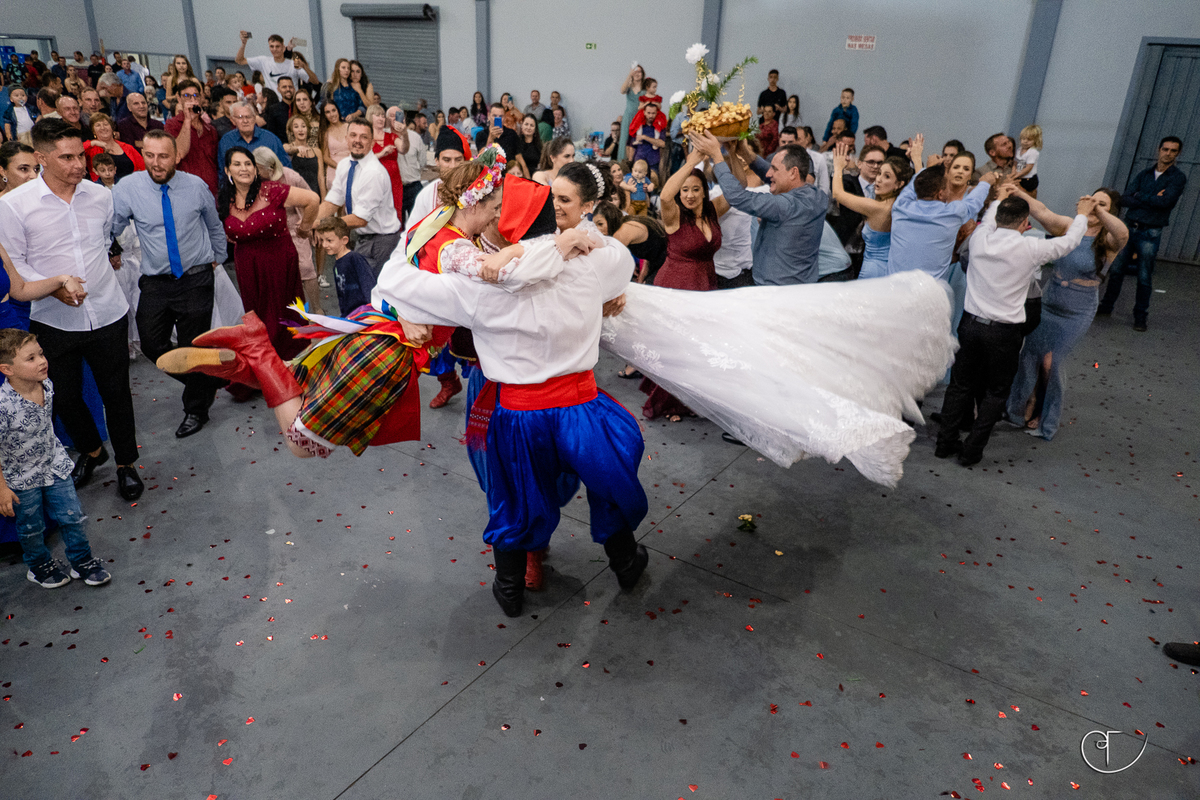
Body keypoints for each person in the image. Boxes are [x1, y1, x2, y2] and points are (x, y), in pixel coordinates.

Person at [0, 119, 143, 500]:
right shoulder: (13, 206)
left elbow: (101, 244)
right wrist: (55, 287)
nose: (79, 164)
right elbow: (17, 265)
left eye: (81, 154)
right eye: (67, 157)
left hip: (108, 311)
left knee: (116, 393)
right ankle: (93, 451)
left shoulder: (100, 196)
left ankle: (127, 464)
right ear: (42, 158)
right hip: (52, 317)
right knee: (62, 395)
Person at [935, 190, 1091, 467]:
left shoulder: (980, 237)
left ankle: (944, 443)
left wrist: (998, 198)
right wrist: (1082, 215)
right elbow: (1069, 243)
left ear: (997, 217)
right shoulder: (1030, 248)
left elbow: (987, 218)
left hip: (970, 325)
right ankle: (971, 450)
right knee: (996, 392)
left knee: (960, 385)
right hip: (1003, 333)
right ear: (1024, 223)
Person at [111, 131, 228, 438]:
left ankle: (195, 410)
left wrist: (219, 256)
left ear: (176, 156)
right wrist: (109, 245)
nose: (156, 163)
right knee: (151, 343)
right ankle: (205, 381)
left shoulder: (196, 186)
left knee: (192, 347)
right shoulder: (128, 188)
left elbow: (214, 224)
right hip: (156, 281)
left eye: (163, 156)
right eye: (149, 155)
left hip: (196, 278)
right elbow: (112, 225)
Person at [1006, 187, 1127, 439]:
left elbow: (1123, 232)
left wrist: (1097, 211)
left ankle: (1045, 415)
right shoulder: (1071, 226)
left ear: (1110, 211)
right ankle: (1023, 403)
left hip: (1077, 311)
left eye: (1101, 204)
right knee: (1030, 355)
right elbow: (1041, 211)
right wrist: (1018, 192)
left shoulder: (1109, 239)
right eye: (1091, 200)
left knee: (1052, 362)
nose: (1093, 205)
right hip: (1050, 302)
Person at [0, 330, 112, 589]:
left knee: (72, 515)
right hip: (21, 476)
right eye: (30, 358)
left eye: (41, 354)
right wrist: (2, 487)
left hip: (54, 464)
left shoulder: (47, 384)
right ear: (7, 369)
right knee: (31, 526)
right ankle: (38, 565)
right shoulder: (3, 405)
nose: (42, 361)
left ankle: (82, 560)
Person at [640, 149, 728, 421]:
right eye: (685, 190)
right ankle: (669, 402)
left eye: (695, 189)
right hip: (676, 285)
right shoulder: (673, 215)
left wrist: (726, 154)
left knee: (699, 346)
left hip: (705, 283)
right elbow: (666, 195)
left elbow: (740, 189)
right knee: (677, 346)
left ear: (705, 191)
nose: (689, 195)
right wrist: (692, 160)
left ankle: (692, 398)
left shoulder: (713, 211)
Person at [218, 145, 317, 360]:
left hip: (280, 260)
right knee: (258, 316)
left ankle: (293, 364)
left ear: (255, 169)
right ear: (228, 170)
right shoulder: (225, 199)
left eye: (248, 164)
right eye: (237, 164)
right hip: (248, 266)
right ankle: (266, 365)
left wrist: (303, 229)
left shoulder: (271, 190)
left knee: (284, 315)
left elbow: (313, 200)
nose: (244, 169)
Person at [693, 132, 829, 285]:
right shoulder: (818, 197)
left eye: (775, 169)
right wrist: (744, 153)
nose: (769, 173)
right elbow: (772, 177)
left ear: (793, 172)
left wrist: (717, 156)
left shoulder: (785, 205)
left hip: (775, 292)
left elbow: (737, 196)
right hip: (800, 286)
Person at [1096, 136, 1187, 331]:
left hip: (1150, 232)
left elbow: (1166, 202)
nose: (1168, 153)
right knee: (1117, 270)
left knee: (1144, 276)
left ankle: (1140, 316)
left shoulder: (1177, 178)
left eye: (1173, 150)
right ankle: (1106, 306)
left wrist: (1140, 196)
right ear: (1159, 150)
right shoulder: (1145, 173)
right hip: (1129, 229)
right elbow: (1124, 198)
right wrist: (1151, 197)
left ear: (1178, 153)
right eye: (1165, 149)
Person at [317, 118, 403, 277]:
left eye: (363, 137)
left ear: (371, 143)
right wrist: (311, 221)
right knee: (358, 289)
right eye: (353, 135)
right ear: (346, 139)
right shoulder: (345, 165)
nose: (357, 140)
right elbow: (332, 201)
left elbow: (360, 219)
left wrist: (322, 225)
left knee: (371, 293)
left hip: (382, 242)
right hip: (362, 238)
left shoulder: (373, 172)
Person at [888, 154, 994, 281]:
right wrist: (985, 183)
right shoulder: (952, 213)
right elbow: (973, 202)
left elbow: (911, 188)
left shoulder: (900, 206)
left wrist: (928, 168)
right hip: (930, 293)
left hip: (894, 289)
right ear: (940, 193)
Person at [254, 147, 323, 314]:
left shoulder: (290, 176)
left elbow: (312, 199)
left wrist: (309, 223)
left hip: (295, 226)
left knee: (306, 268)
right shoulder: (255, 182)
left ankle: (318, 310)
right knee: (280, 274)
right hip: (271, 231)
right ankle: (289, 312)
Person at [831, 143, 912, 280]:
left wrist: (838, 167)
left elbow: (838, 194)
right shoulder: (902, 205)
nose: (878, 179)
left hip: (873, 271)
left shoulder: (879, 208)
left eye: (886, 176)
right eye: (879, 173)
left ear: (899, 184)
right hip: (891, 269)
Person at [163, 79, 219, 197]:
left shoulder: (210, 129)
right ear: (179, 99)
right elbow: (179, 152)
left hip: (211, 191)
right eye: (187, 96)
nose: (192, 100)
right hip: (186, 191)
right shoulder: (172, 124)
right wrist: (188, 119)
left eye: (195, 95)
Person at [217, 100, 291, 188]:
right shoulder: (226, 141)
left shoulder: (270, 139)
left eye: (248, 117)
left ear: (254, 118)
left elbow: (286, 170)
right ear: (233, 121)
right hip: (237, 193)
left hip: (268, 192)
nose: (245, 121)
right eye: (240, 117)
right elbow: (222, 173)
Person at [315, 215, 376, 316]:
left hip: (363, 313)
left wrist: (370, 310)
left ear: (344, 240)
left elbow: (368, 284)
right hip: (350, 315)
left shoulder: (354, 258)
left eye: (329, 240)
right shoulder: (336, 265)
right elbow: (341, 295)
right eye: (322, 240)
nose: (324, 245)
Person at [366, 104, 407, 220]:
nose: (381, 118)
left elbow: (403, 149)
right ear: (370, 117)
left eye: (383, 116)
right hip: (375, 183)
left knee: (396, 212)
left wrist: (404, 133)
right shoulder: (366, 138)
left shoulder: (392, 136)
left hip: (394, 182)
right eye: (377, 115)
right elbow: (362, 160)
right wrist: (381, 154)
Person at [235, 32, 305, 95]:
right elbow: (240, 60)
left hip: (291, 103)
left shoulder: (292, 64)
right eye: (272, 46)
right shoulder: (263, 61)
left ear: (283, 47)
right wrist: (243, 44)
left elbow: (314, 81)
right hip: (272, 104)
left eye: (277, 46)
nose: (274, 49)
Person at [83, 112, 143, 181]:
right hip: (104, 188)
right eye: (98, 125)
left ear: (112, 128)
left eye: (106, 124)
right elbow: (76, 150)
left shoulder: (127, 147)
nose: (103, 128)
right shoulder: (91, 148)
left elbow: (143, 167)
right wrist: (93, 143)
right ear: (93, 131)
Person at [394, 107, 427, 224]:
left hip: (413, 185)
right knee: (398, 225)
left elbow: (423, 161)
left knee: (418, 224)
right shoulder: (385, 137)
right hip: (395, 188)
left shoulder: (415, 137)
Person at [284, 115, 325, 196]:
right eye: (296, 127)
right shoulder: (289, 148)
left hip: (314, 193)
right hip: (297, 194)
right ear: (292, 131)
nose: (300, 130)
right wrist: (297, 148)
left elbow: (321, 178)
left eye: (303, 126)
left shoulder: (317, 151)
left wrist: (324, 199)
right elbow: (285, 148)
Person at [319, 100, 350, 190]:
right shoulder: (325, 132)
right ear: (324, 115)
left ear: (338, 111)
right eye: (327, 112)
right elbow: (325, 157)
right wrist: (339, 167)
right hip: (334, 170)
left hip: (351, 166)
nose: (332, 114)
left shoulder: (349, 127)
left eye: (333, 110)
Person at [617, 64, 644, 164]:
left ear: (642, 74)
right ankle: (623, 164)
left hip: (640, 118)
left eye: (639, 72)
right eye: (635, 72)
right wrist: (629, 75)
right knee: (625, 141)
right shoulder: (629, 86)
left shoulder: (645, 87)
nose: (637, 74)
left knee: (638, 142)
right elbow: (622, 90)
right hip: (628, 117)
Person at [632, 103, 665, 178]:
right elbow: (631, 145)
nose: (651, 115)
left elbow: (662, 143)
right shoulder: (638, 125)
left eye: (653, 113)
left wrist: (644, 137)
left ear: (657, 113)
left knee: (653, 182)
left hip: (653, 161)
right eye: (649, 113)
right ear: (644, 112)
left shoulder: (659, 126)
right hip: (639, 160)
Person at [263, 75, 296, 142]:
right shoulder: (273, 110)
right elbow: (271, 134)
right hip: (282, 147)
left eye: (290, 87)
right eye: (284, 87)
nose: (288, 89)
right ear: (278, 89)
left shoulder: (300, 107)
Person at [1012, 124, 1042, 196]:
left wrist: (1017, 175)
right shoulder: (1019, 150)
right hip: (1021, 177)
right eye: (1023, 139)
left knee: (1023, 194)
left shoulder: (1032, 152)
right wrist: (1013, 172)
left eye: (1029, 140)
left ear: (1035, 140)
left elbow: (1028, 167)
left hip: (1029, 179)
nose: (1025, 141)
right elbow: (1015, 163)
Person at [515, 114, 543, 179]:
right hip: (520, 177)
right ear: (522, 126)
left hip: (535, 178)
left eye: (532, 125)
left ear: (535, 129)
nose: (528, 127)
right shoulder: (516, 142)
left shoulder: (539, 145)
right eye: (526, 124)